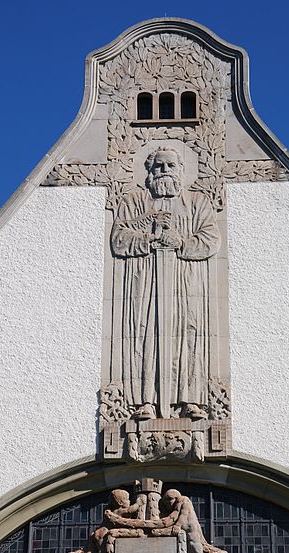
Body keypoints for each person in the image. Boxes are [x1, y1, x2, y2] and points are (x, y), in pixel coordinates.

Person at [111, 147, 220, 420]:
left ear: (181, 170)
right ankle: (144, 402)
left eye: (170, 165)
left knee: (189, 334)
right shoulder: (134, 202)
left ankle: (190, 400)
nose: (164, 171)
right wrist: (148, 233)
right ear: (149, 172)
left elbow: (210, 239)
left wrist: (182, 242)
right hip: (144, 283)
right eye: (158, 167)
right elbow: (118, 238)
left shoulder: (197, 202)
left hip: (187, 284)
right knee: (144, 337)